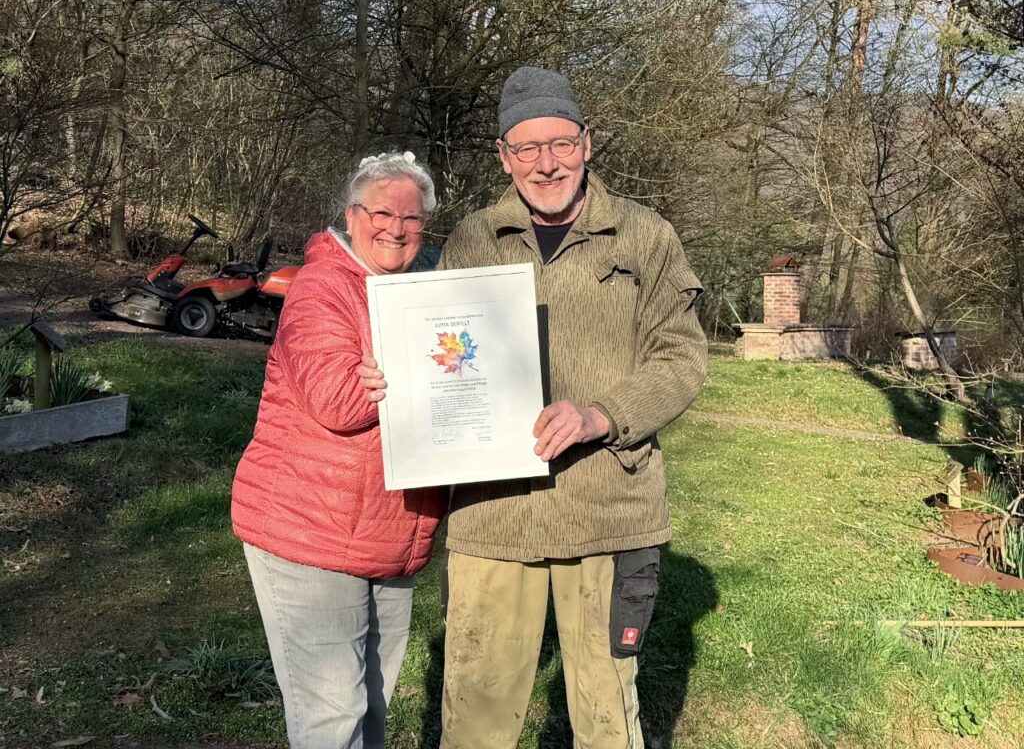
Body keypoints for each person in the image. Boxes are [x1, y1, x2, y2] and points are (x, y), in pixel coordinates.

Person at [361, 67, 708, 748]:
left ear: (587, 143)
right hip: (495, 515)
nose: (546, 164)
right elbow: (442, 348)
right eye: (526, 148)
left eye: (561, 143)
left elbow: (682, 358)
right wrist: (396, 373)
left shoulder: (645, 237)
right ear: (503, 156)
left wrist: (601, 413)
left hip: (608, 509)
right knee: (477, 718)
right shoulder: (473, 239)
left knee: (608, 719)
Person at [231, 151, 446, 749]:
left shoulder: (421, 296)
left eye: (412, 218)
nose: (395, 228)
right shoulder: (321, 287)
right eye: (381, 212)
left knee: (371, 708)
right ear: (352, 215)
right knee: (332, 718)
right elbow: (339, 399)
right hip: (311, 531)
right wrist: (418, 368)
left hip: (389, 531)